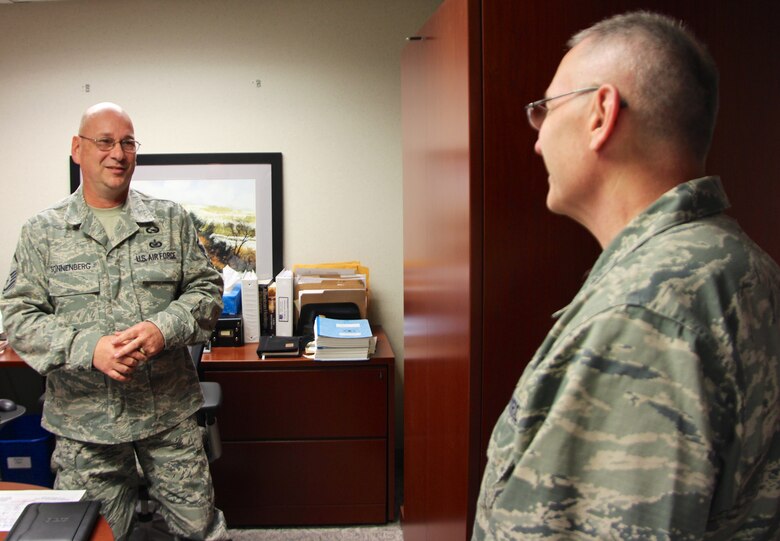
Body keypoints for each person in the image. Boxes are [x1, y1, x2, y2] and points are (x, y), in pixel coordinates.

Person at [473, 11, 780, 540]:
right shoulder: (733, 263)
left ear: (601, 113)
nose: (538, 141)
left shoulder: (644, 315)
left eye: (544, 110)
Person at [0, 102, 230, 541]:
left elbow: (208, 292)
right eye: (104, 141)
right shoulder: (42, 232)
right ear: (77, 149)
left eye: (127, 143)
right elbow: (19, 318)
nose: (117, 154)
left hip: (168, 415)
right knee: (90, 534)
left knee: (200, 531)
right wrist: (91, 349)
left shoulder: (170, 220)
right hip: (87, 426)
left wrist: (164, 327)